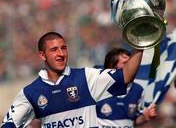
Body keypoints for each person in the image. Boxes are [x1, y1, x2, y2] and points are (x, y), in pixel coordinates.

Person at [1, 32, 143, 128]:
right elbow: (9, 124)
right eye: (54, 49)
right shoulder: (30, 92)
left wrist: (140, 42)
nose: (61, 54)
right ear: (42, 55)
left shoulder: (86, 77)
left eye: (63, 48)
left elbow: (125, 76)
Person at [96, 47, 157, 128]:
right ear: (112, 67)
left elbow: (133, 121)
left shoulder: (138, 90)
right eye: (125, 63)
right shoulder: (97, 88)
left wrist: (144, 117)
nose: (131, 66)